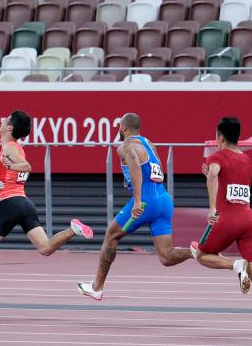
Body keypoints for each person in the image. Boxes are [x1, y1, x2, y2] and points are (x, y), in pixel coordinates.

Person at [0, 110, 93, 302]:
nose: (2, 120)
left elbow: (26, 166)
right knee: (45, 248)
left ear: (10, 128)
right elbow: (10, 174)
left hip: (9, 204)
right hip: (24, 204)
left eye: (6, 119)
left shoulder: (9, 148)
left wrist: (10, 166)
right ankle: (73, 230)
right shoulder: (15, 147)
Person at [77, 113, 192, 300]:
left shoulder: (125, 147)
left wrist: (138, 200)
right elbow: (156, 170)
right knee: (166, 256)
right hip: (163, 199)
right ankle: (195, 252)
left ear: (124, 128)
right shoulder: (149, 144)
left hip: (146, 200)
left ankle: (97, 287)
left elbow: (135, 164)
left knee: (111, 235)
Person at [190, 117, 252, 333]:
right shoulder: (247, 160)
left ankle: (235, 266)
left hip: (226, 219)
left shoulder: (217, 155)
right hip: (248, 221)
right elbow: (232, 183)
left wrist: (212, 207)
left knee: (201, 255)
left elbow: (213, 175)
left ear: (220, 138)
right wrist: (215, 179)